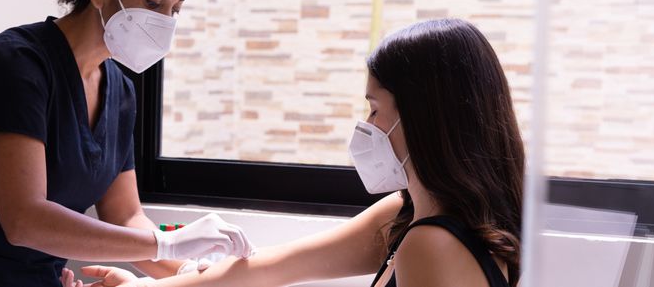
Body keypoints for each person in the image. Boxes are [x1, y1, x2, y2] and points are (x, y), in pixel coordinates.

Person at [70, 18, 525, 287]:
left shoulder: (433, 244)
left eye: (374, 108)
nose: (366, 127)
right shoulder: (406, 216)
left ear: (425, 119)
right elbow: (263, 270)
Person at [0, 0, 253, 286]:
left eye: (175, 9)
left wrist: (187, 269)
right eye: (153, 2)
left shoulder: (120, 91)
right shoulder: (15, 65)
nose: (163, 22)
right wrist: (168, 243)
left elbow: (124, 217)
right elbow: (25, 220)